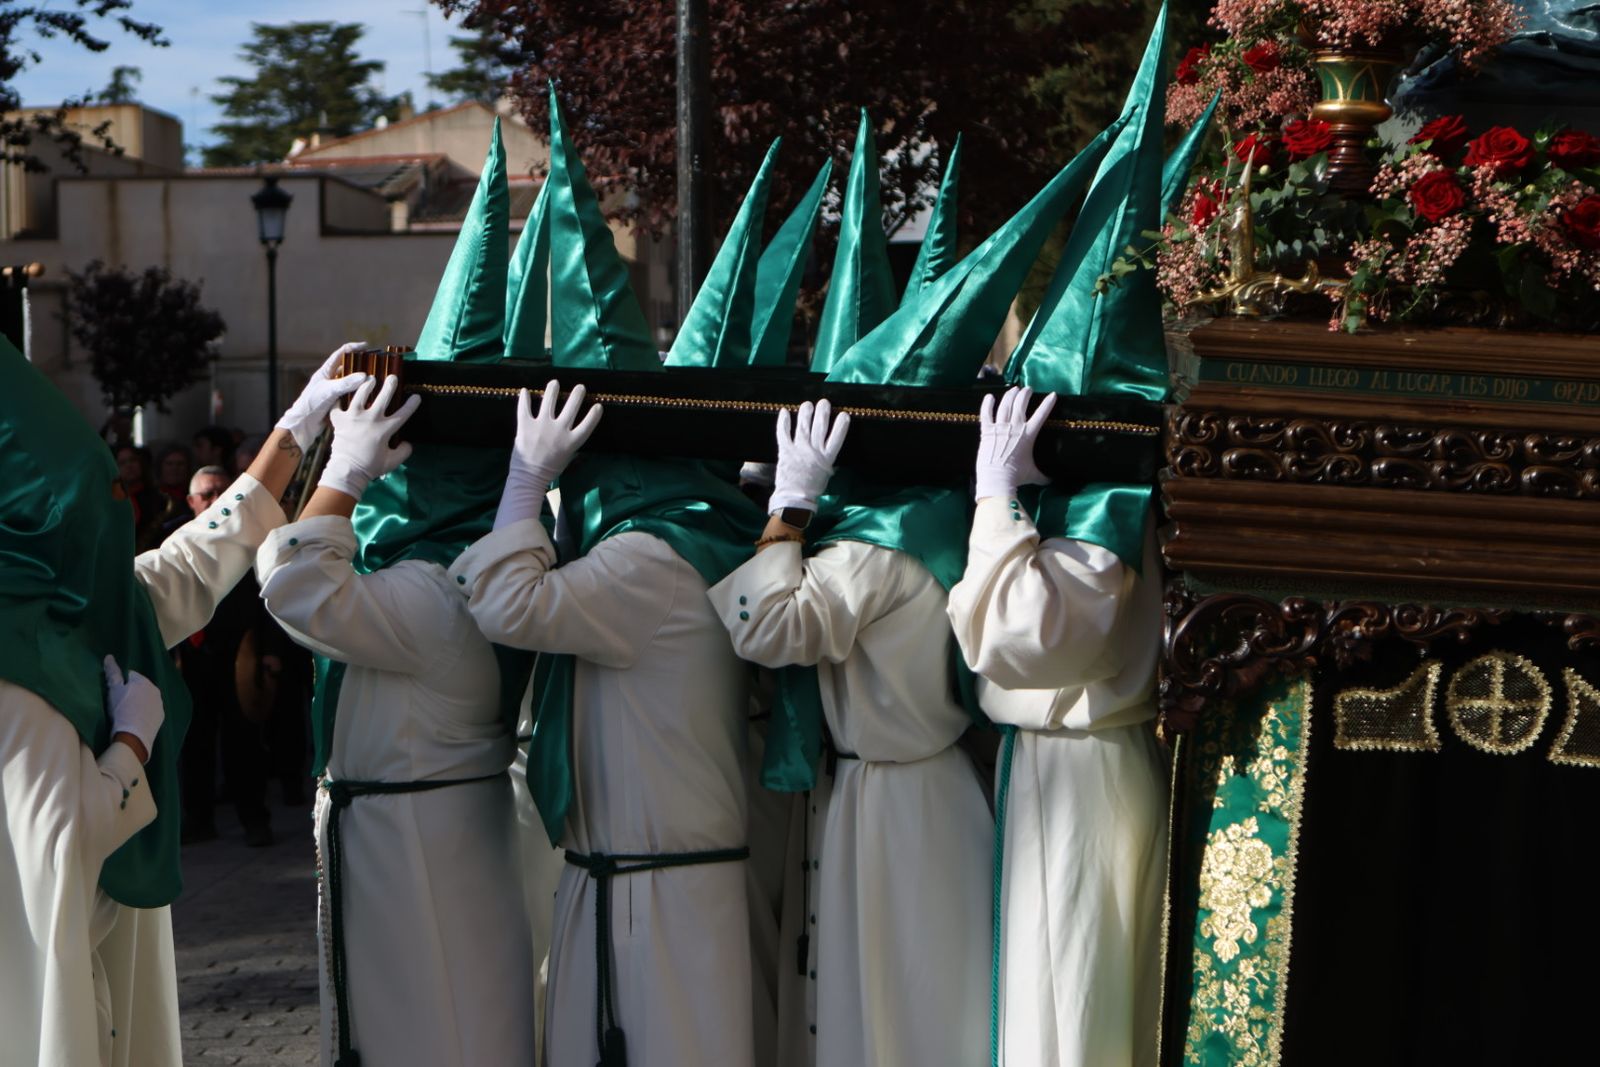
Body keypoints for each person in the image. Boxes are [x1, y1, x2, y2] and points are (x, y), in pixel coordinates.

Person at [451, 90, 762, 1067]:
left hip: (656, 898)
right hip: (633, 882)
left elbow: (503, 601)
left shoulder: (646, 561)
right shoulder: (681, 544)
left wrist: (522, 476)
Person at [1, 335, 365, 1066]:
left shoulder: (74, 599)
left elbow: (193, 560)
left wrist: (295, 433)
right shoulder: (14, 669)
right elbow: (63, 839)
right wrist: (131, 746)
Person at [257, 126, 537, 1067]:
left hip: (418, 853)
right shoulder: (451, 571)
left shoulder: (434, 592)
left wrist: (341, 470)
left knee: (434, 1038)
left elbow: (294, 583)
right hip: (406, 835)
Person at [707, 402, 995, 1067]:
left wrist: (791, 505)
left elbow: (766, 627)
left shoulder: (869, 548)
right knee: (914, 1006)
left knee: (885, 1009)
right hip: (928, 790)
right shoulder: (942, 513)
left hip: (888, 810)